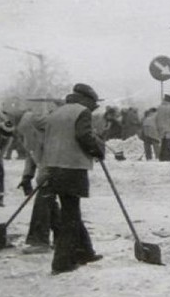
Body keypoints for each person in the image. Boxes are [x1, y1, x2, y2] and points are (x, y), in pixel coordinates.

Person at [40, 83, 105, 275]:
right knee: (70, 216)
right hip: (72, 168)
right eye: (94, 104)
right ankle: (62, 263)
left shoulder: (57, 113)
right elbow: (83, 135)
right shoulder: (82, 112)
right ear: (87, 100)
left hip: (54, 167)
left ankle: (85, 251)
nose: (94, 109)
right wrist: (96, 150)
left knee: (71, 210)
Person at [17, 106, 62, 255]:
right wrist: (27, 176)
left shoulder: (28, 122)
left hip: (57, 165)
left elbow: (45, 150)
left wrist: (44, 174)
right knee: (49, 202)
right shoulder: (26, 128)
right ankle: (62, 239)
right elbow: (32, 152)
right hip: (51, 167)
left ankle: (39, 241)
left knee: (43, 201)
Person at [155, 94, 170, 161]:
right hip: (169, 127)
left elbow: (157, 117)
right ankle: (167, 157)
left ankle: (162, 157)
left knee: (163, 142)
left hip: (161, 127)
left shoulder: (159, 107)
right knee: (168, 143)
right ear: (169, 100)